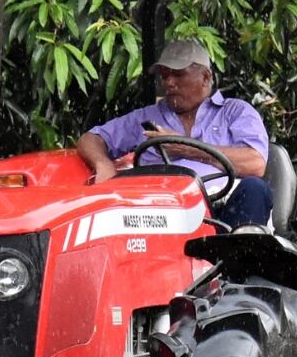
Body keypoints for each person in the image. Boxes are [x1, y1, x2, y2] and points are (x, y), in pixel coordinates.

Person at [76, 38, 274, 229]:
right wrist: (103, 163)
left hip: (221, 208)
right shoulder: (148, 117)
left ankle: (236, 258)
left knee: (255, 189)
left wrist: (186, 148)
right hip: (160, 215)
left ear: (205, 77)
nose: (168, 83)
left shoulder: (234, 112)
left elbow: (255, 164)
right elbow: (90, 139)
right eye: (164, 75)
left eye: (178, 74)